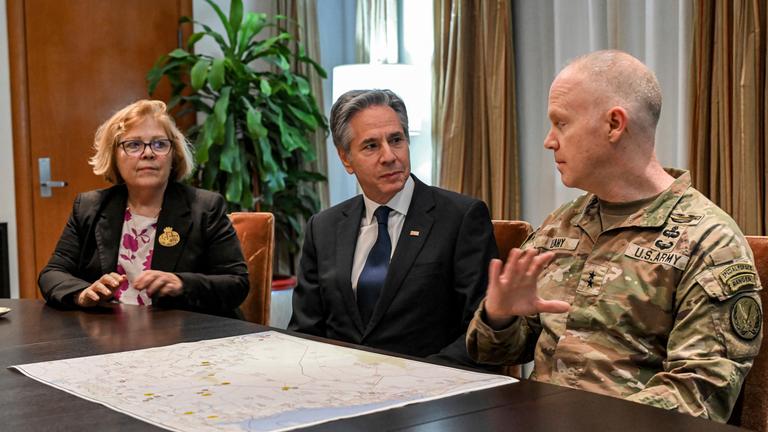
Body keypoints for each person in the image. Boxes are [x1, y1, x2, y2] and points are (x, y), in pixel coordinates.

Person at [466, 50, 763, 422]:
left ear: (614, 124)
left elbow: (700, 394)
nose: (548, 141)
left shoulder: (709, 241)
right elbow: (494, 351)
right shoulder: (563, 223)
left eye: (561, 123)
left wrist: (583, 421)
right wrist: (500, 316)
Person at [289, 89, 497, 367]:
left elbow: (483, 330)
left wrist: (416, 378)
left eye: (396, 140)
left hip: (430, 392)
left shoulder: (460, 218)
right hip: (340, 387)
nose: (389, 156)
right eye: (371, 146)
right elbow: (305, 331)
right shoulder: (323, 227)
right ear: (345, 159)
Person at [39, 100, 249, 318]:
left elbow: (236, 283)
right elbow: (52, 274)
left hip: (185, 338)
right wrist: (82, 293)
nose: (148, 153)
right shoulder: (89, 207)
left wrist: (182, 284)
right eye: (133, 145)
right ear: (114, 156)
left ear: (173, 154)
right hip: (110, 337)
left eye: (159, 144)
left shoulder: (205, 208)